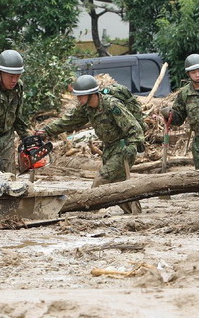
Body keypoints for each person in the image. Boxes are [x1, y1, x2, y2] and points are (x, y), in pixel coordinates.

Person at [39, 75, 144, 214]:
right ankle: (134, 212)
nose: (78, 99)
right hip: (109, 148)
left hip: (123, 147)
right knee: (117, 184)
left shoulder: (112, 105)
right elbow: (68, 121)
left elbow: (134, 128)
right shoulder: (86, 108)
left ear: (91, 94)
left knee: (101, 179)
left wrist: (132, 148)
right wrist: (46, 131)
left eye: (81, 96)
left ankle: (89, 213)